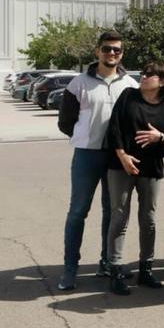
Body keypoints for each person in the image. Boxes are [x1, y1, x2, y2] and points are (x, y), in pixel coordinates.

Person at [56, 30, 139, 290]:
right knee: (78, 211)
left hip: (117, 157)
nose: (111, 53)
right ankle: (70, 268)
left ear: (122, 53)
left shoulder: (130, 85)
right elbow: (65, 122)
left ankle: (106, 262)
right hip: (87, 155)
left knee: (112, 212)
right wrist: (86, 137)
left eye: (116, 49)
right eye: (106, 49)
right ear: (97, 51)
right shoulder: (78, 83)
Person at [104, 62, 164, 295]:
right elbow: (114, 127)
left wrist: (160, 137)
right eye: (144, 73)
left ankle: (146, 269)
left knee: (148, 219)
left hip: (151, 168)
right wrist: (123, 155)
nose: (144, 76)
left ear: (163, 81)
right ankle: (115, 271)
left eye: (150, 74)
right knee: (119, 216)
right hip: (121, 166)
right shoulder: (129, 96)